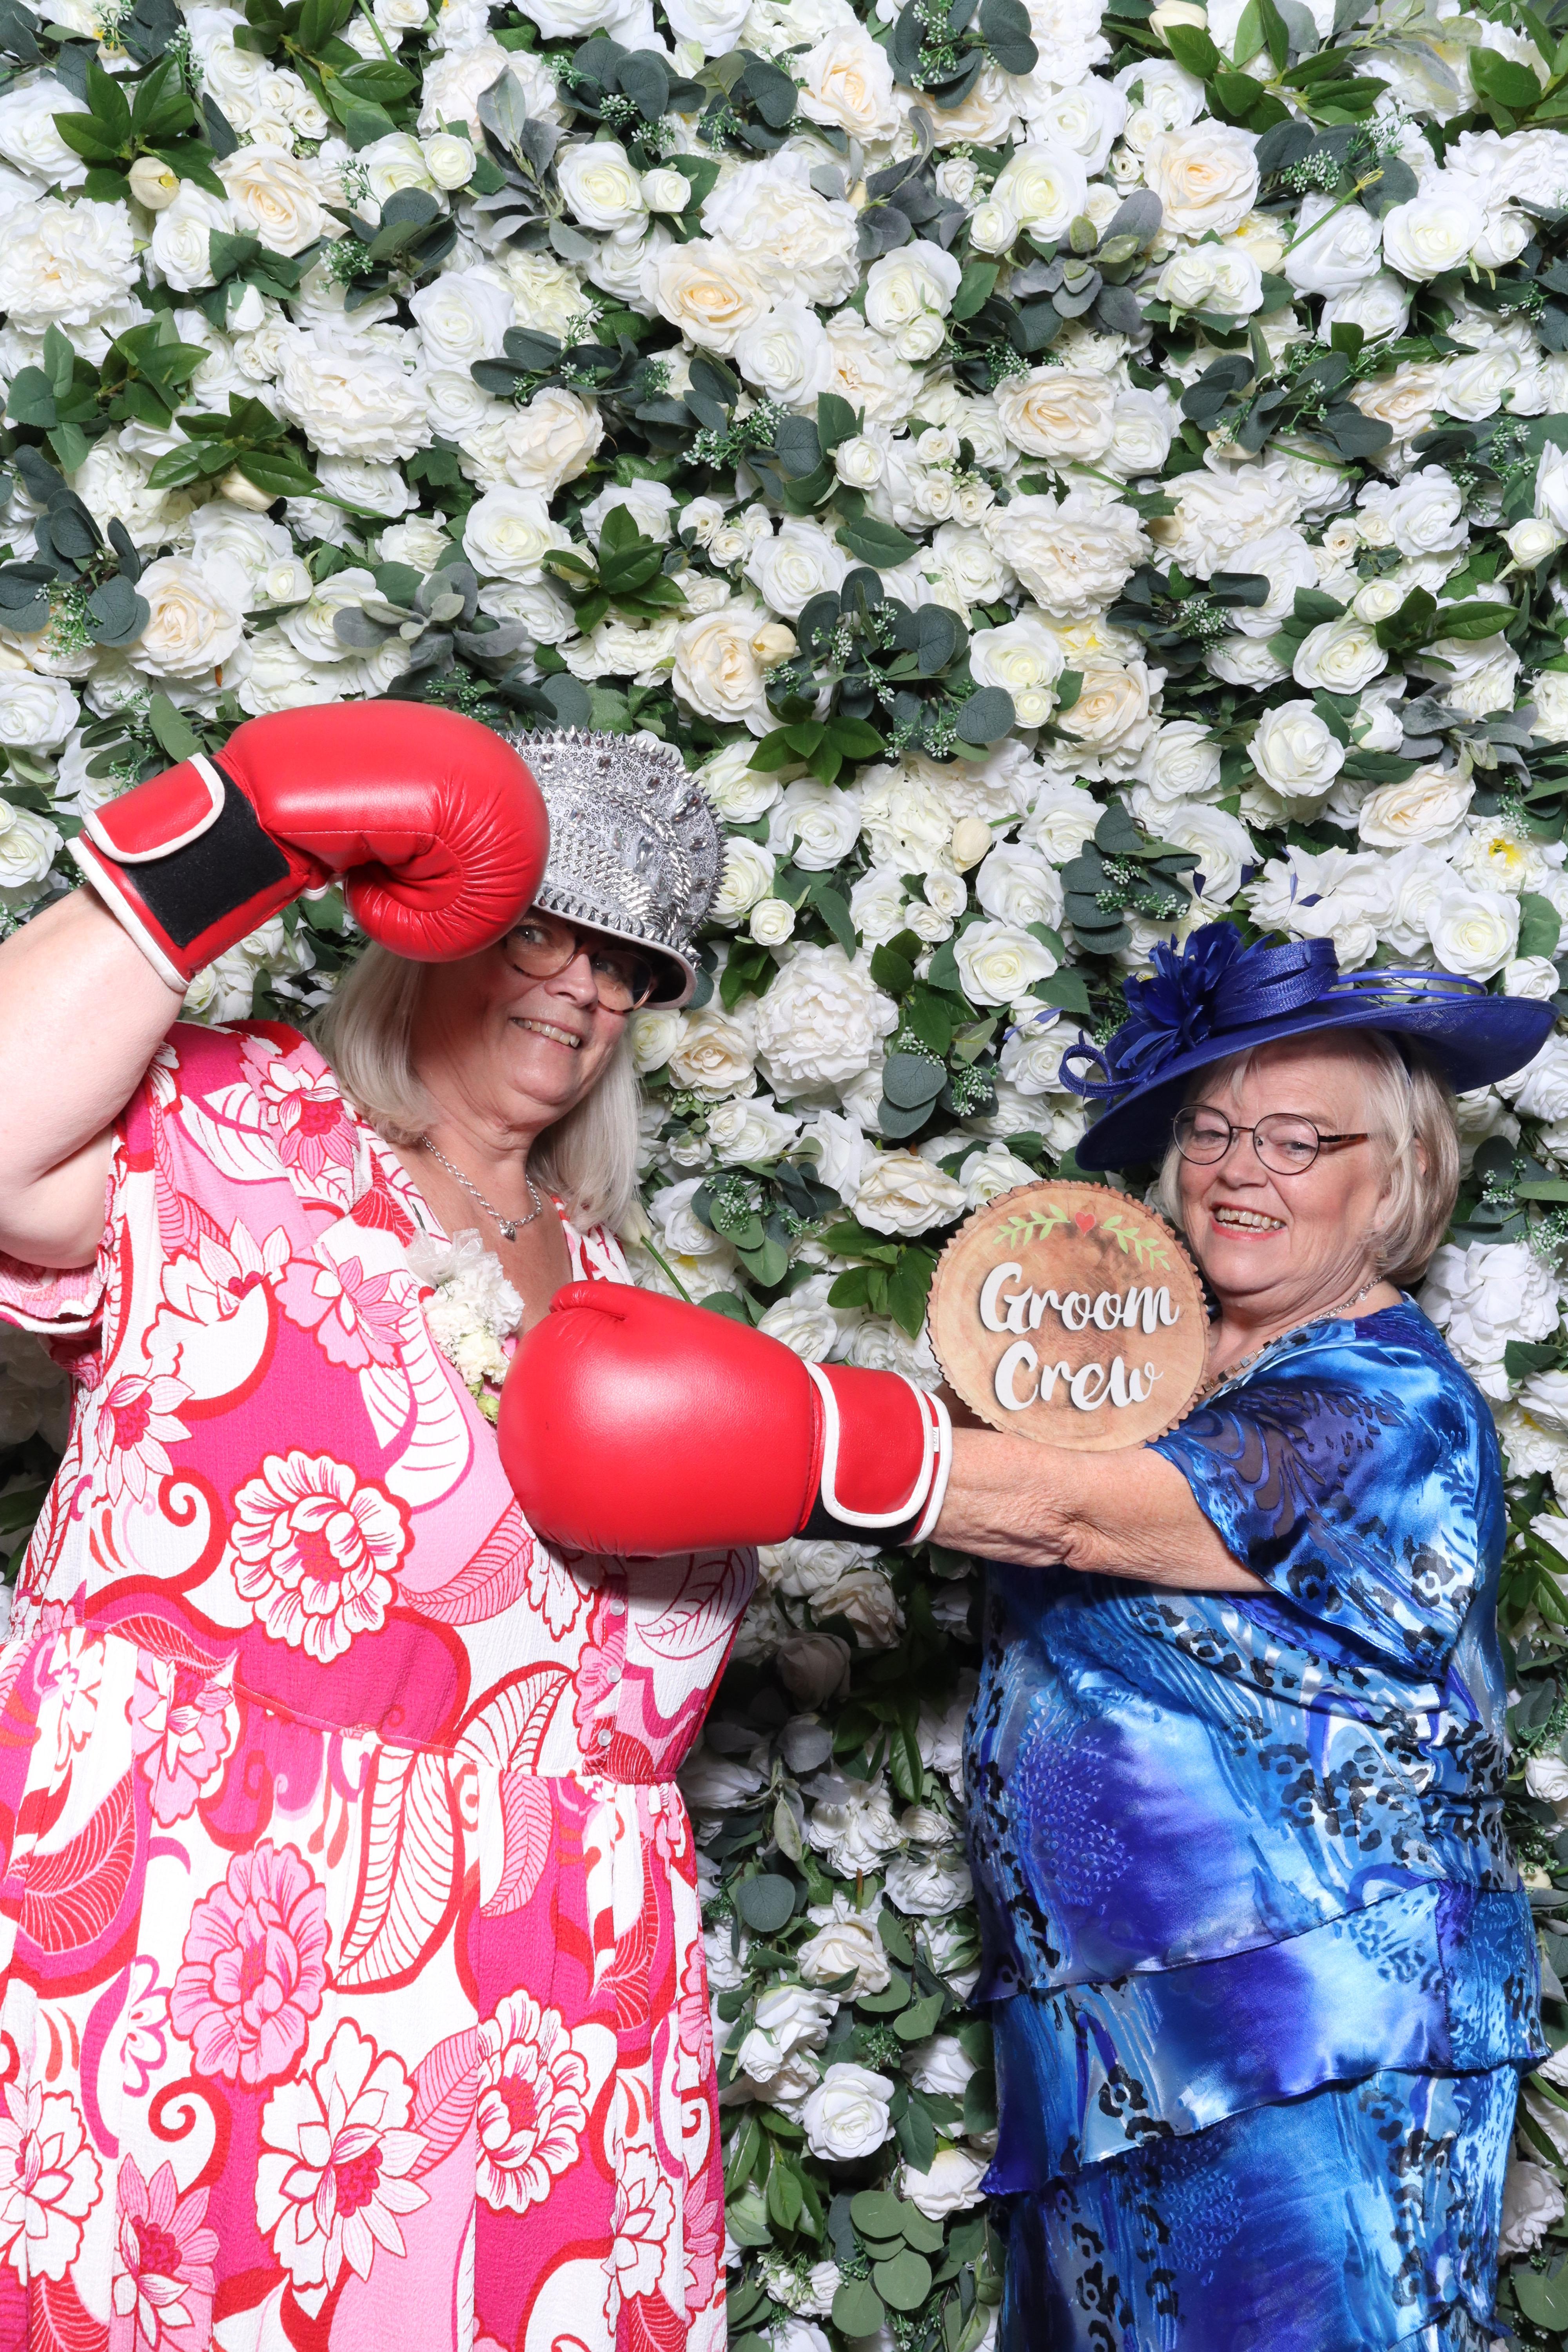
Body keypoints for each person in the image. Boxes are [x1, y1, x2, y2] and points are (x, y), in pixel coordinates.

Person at [502, 921, 1557, 2351]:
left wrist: (799, 1431)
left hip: (1315, 2028)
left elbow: (1076, 1517)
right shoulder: (1154, 1367)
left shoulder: (1386, 1406)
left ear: (1402, 1182)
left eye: (1303, 1141)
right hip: (1107, 2034)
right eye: (1212, 1127)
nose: (1241, 1167)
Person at [0, 707, 748, 2352]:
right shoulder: (235, 1128)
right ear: (441, 923)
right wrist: (235, 826)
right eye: (547, 931)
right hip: (197, 1942)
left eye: (630, 963)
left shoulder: (635, 1295)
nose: (587, 988)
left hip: (534, 2033)